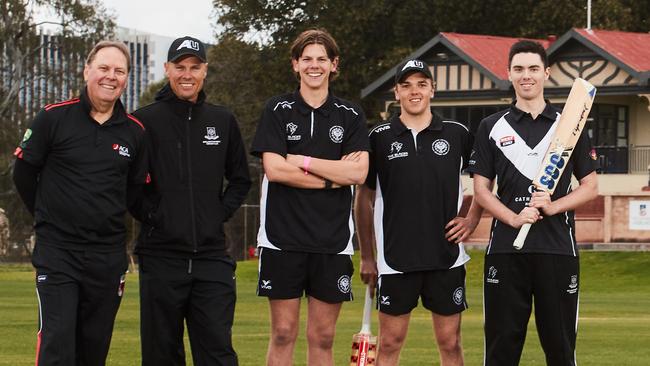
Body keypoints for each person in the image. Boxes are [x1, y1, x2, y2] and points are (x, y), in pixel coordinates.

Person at [12, 40, 147, 366]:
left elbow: (134, 195)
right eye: (104, 68)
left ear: (127, 78)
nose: (110, 76)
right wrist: (47, 217)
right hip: (58, 253)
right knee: (57, 344)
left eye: (119, 71)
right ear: (87, 70)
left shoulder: (135, 133)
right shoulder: (53, 117)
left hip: (107, 257)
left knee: (93, 349)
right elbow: (23, 175)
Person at [467, 40, 599, 366]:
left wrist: (554, 206)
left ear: (546, 73)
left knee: (560, 350)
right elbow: (482, 190)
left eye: (533, 69)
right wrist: (513, 218)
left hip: (557, 248)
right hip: (505, 250)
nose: (527, 76)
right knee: (500, 351)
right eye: (519, 69)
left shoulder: (570, 125)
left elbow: (591, 187)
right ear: (509, 74)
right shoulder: (491, 127)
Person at [250, 29, 369, 366]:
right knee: (284, 332)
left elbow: (358, 174)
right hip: (281, 237)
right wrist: (334, 177)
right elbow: (275, 170)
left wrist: (301, 161)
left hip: (332, 241)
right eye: (307, 59)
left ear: (334, 65)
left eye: (321, 59)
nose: (314, 66)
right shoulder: (278, 109)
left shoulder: (350, 114)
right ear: (295, 64)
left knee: (323, 337)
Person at [130, 36, 251, 366]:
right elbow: (130, 187)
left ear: (205, 71)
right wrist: (156, 216)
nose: (187, 74)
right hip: (160, 258)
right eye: (180, 67)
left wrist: (216, 214)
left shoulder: (222, 121)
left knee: (217, 353)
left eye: (194, 67)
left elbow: (241, 179)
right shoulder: (143, 121)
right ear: (167, 69)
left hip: (212, 258)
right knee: (161, 355)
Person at [355, 59, 483, 366]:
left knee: (450, 343)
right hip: (395, 259)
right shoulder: (379, 137)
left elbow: (485, 182)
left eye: (422, 85)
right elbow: (364, 199)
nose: (415, 92)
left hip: (446, 257)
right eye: (407, 85)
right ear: (396, 92)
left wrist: (472, 218)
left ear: (433, 91)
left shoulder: (457, 133)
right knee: (389, 343)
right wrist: (368, 256)